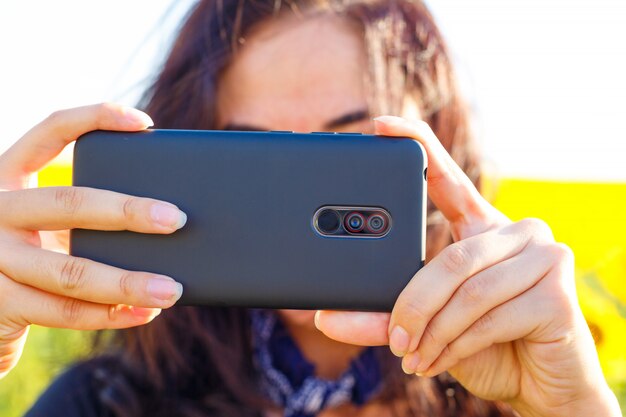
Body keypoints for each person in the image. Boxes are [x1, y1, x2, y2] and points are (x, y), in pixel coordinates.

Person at [0, 1, 621, 416]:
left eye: (346, 146)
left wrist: (572, 405)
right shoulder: (107, 403)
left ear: (439, 142)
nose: (294, 197)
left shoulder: (502, 391)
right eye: (250, 152)